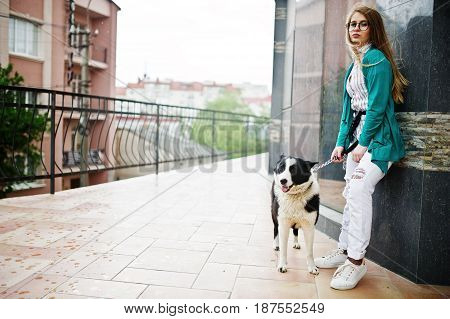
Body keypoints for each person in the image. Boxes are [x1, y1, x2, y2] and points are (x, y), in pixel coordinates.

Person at [314, 4, 408, 290]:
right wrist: (341, 143)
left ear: (373, 28)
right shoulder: (354, 66)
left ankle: (356, 262)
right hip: (356, 141)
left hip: (378, 142)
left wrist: (363, 143)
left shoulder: (377, 60)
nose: (355, 29)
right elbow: (348, 112)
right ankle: (344, 250)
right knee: (350, 194)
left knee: (357, 190)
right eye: (352, 24)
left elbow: (377, 109)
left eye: (362, 24)